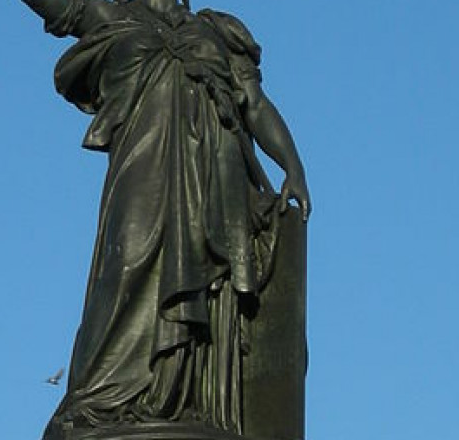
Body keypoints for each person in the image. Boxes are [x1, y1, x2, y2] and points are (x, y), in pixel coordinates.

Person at [19, 0, 311, 438]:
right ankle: (103, 401)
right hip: (145, 173)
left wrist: (293, 166)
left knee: (211, 296)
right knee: (128, 267)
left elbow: (254, 104)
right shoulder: (112, 16)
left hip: (217, 181)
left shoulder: (218, 31)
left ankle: (184, 400)